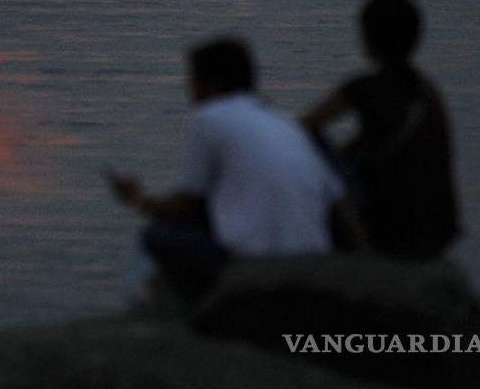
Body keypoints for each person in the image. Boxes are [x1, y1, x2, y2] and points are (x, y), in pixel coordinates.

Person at [107, 37, 366, 306]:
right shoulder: (285, 125)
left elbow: (182, 208)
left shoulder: (208, 118)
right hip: (314, 261)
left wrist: (137, 199)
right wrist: (364, 260)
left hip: (258, 266)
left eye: (192, 83)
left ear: (209, 85)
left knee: (157, 235)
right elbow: (341, 202)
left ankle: (203, 308)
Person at [302, 0, 460, 259]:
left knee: (315, 148)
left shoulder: (365, 88)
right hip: (437, 229)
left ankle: (356, 240)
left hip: (387, 224)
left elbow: (306, 127)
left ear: (368, 38)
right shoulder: (428, 91)